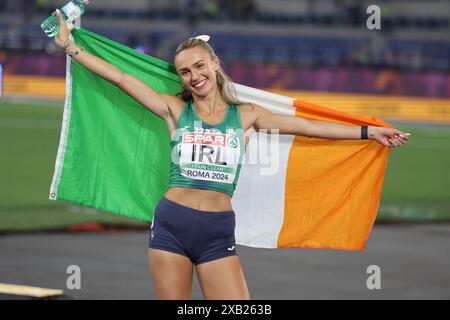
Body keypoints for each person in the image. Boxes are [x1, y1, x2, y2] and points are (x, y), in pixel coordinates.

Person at [53, 9, 409, 300]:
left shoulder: (248, 115)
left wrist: (369, 131)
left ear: (215, 63)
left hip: (216, 232)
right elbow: (119, 78)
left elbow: (310, 127)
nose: (194, 76)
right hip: (170, 225)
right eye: (185, 71)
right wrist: (70, 46)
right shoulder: (174, 110)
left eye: (199, 66)